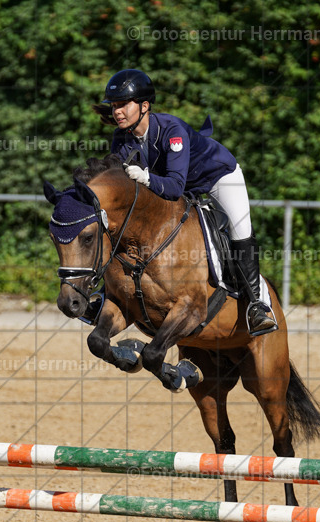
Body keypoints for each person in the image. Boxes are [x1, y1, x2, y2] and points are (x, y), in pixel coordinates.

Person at [92, 68, 277, 336]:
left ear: (144, 106)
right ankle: (105, 293)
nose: (117, 111)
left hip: (218, 177)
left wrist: (145, 179)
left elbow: (175, 186)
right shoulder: (121, 137)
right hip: (177, 184)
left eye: (123, 104)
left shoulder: (172, 130)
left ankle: (257, 306)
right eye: (114, 105)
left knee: (239, 229)